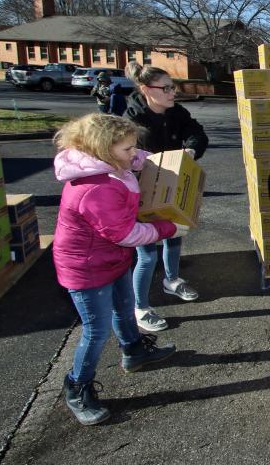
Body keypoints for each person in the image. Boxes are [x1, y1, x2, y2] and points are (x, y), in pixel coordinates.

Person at [52, 114, 183, 425]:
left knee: (124, 310)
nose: (134, 154)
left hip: (110, 259)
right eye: (127, 149)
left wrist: (176, 158)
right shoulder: (96, 188)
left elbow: (141, 160)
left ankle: (134, 350)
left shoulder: (110, 164)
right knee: (96, 331)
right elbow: (124, 234)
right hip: (86, 269)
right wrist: (168, 229)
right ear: (103, 149)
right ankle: (77, 385)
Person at [124, 61, 209, 332]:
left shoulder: (176, 113)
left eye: (173, 87)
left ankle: (171, 280)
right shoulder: (130, 121)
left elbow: (196, 133)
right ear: (145, 89)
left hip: (171, 189)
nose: (173, 92)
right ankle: (140, 307)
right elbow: (120, 157)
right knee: (147, 256)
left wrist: (192, 150)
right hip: (141, 194)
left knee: (174, 237)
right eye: (167, 88)